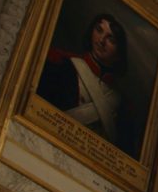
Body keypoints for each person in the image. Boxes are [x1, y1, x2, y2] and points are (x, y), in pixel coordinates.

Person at [37, 12, 132, 151]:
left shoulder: (122, 104)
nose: (101, 41)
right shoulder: (61, 64)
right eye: (99, 30)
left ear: (119, 53)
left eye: (111, 39)